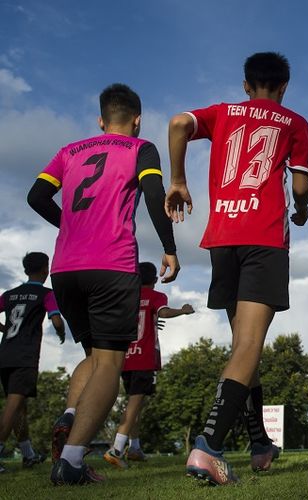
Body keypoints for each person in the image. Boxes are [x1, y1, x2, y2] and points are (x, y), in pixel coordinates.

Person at [165, 52, 308, 485]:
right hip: (264, 238)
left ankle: (260, 442)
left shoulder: (222, 112)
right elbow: (301, 185)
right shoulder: (294, 122)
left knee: (244, 348)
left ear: (246, 85)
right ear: (284, 87)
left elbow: (177, 123)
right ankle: (208, 445)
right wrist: (301, 208)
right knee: (249, 346)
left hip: (222, 238)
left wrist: (177, 180)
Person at [27, 83, 180, 485]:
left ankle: (71, 414)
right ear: (137, 119)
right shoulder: (141, 148)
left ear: (100, 119)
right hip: (111, 264)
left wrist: (70, 226)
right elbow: (153, 195)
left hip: (65, 268)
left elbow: (35, 196)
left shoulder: (68, 151)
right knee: (112, 363)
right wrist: (169, 247)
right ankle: (73, 461)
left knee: (94, 356)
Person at [103, 261, 194, 469]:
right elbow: (162, 312)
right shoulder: (156, 297)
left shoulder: (126, 296)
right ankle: (116, 448)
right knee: (135, 402)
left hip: (125, 357)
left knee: (137, 402)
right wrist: (183, 310)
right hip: (144, 357)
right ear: (154, 280)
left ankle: (134, 448)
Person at [0, 252, 65, 472]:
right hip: (25, 356)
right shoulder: (46, 294)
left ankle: (28, 454)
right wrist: (62, 332)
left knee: (20, 407)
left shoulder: (9, 294)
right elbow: (56, 319)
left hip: (5, 354)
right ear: (46, 269)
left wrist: (5, 329)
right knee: (12, 406)